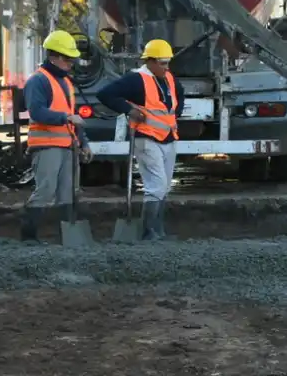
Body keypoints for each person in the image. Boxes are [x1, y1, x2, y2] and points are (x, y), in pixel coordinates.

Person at [95, 39, 184, 239]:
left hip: (168, 138)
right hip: (147, 138)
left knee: (164, 187)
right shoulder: (136, 79)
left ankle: (158, 231)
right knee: (157, 186)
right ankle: (149, 232)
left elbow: (179, 96)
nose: (166, 67)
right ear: (150, 61)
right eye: (162, 63)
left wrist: (173, 115)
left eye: (168, 62)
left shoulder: (168, 78)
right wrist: (130, 110)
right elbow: (105, 94)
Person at [21, 30, 91, 241]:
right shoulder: (39, 81)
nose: (71, 63)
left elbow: (73, 116)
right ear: (55, 57)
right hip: (47, 146)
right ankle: (28, 237)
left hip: (68, 146)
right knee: (45, 190)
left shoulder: (65, 82)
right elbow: (37, 111)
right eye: (68, 58)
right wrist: (67, 118)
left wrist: (84, 143)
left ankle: (67, 237)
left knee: (68, 193)